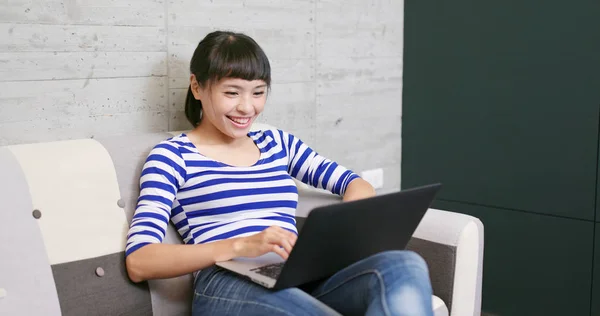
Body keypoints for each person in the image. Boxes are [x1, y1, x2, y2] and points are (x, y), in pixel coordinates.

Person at [125, 30, 434, 316]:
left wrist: (338, 238)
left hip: (297, 273)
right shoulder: (171, 156)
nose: (247, 107)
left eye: (258, 92)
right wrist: (241, 245)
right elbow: (140, 261)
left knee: (404, 264)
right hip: (227, 283)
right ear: (197, 87)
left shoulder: (277, 143)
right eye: (232, 93)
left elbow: (355, 183)